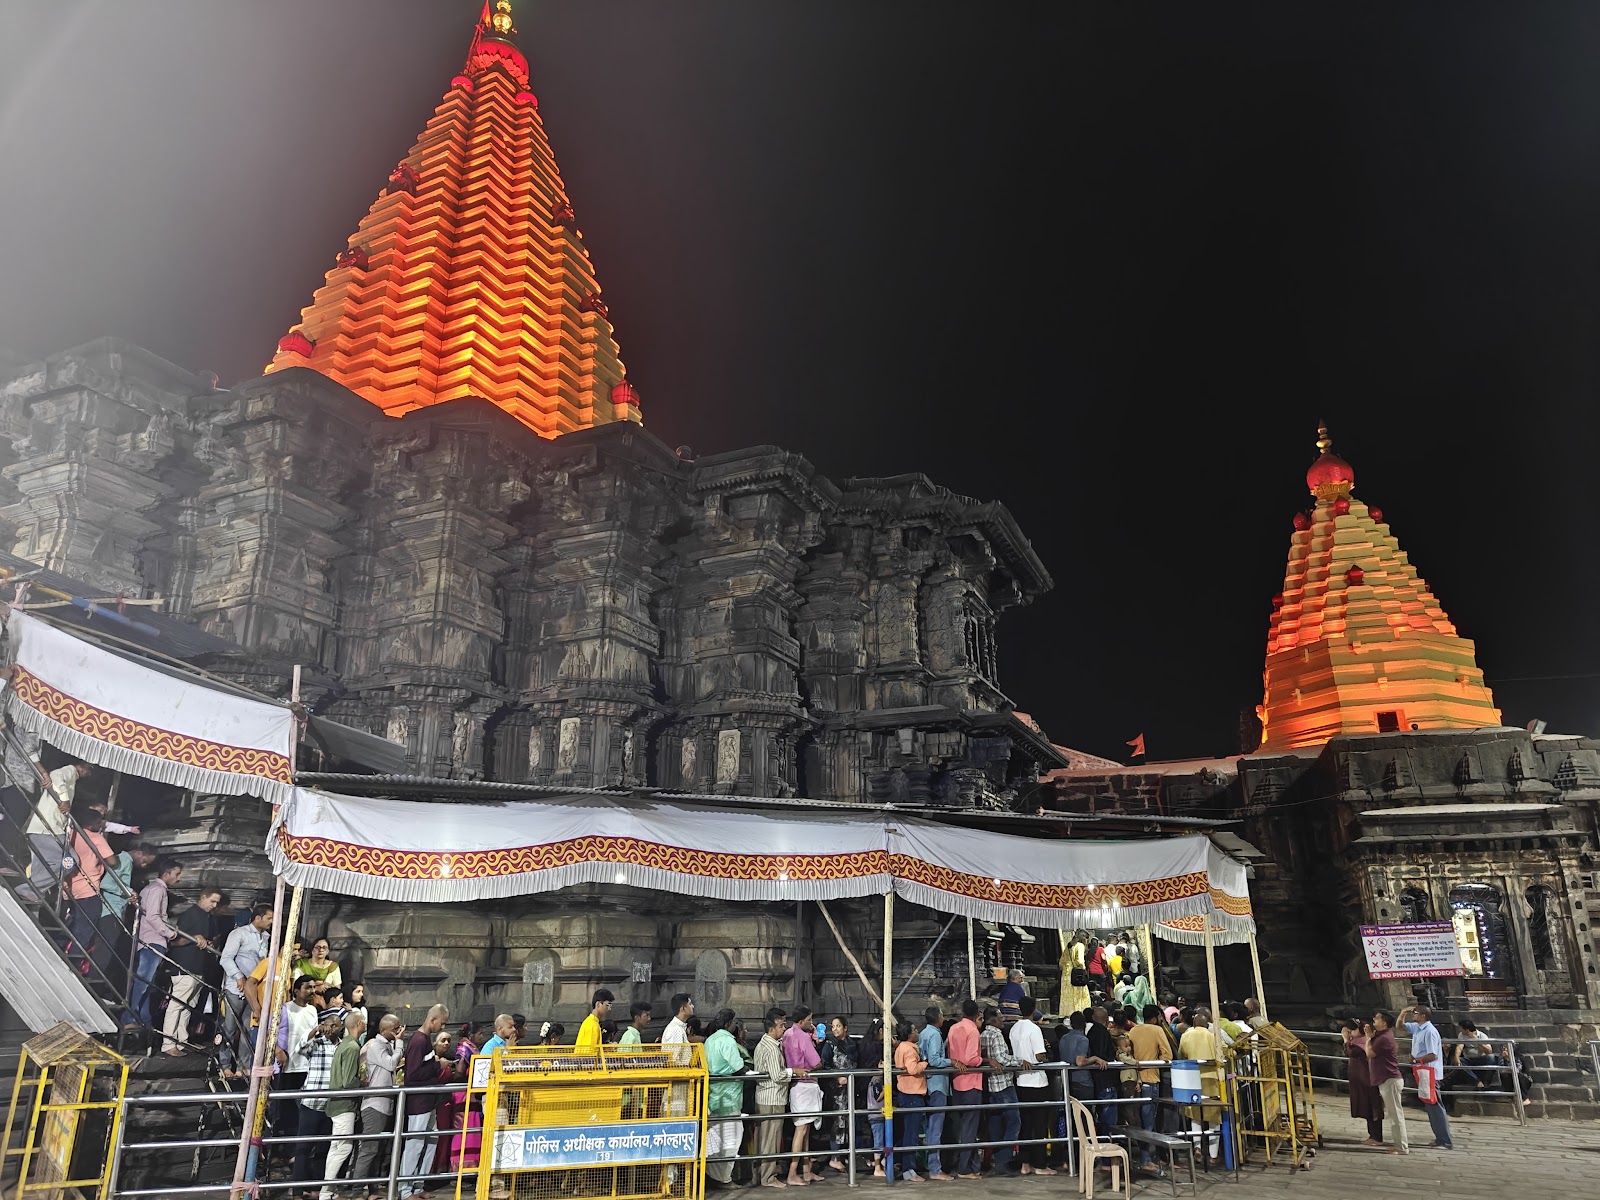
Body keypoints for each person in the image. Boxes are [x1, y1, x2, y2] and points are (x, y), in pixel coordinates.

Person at [127, 857, 205, 1029]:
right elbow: (154, 917)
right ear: (167, 873)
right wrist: (171, 934)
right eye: (177, 874)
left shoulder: (151, 889)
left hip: (150, 939)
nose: (178, 878)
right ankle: (129, 1017)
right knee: (143, 981)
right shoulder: (157, 889)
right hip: (153, 941)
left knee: (147, 983)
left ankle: (144, 1020)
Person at [350, 1014, 408, 1193]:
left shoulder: (386, 1045)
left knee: (380, 1148)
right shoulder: (375, 1046)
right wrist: (399, 1044)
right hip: (375, 1104)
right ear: (384, 1030)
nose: (399, 1032)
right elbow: (390, 1064)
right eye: (395, 1029)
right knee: (369, 1148)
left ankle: (373, 1188)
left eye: (399, 1028)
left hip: (386, 1103)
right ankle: (357, 1190)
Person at [399, 1003, 452, 1198]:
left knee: (430, 1141)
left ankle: (418, 1186)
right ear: (433, 1020)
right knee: (415, 1144)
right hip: (418, 1102)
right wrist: (438, 1066)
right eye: (442, 1023)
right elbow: (412, 1074)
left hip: (428, 1101)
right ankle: (405, 1190)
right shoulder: (419, 1040)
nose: (443, 1027)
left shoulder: (425, 1040)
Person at [163, 885, 222, 1054]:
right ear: (203, 897)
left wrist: (209, 942)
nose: (214, 906)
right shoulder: (190, 914)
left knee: (189, 1005)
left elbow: (210, 939)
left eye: (217, 903)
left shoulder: (208, 917)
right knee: (177, 1004)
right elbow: (174, 941)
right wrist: (194, 938)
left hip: (198, 967)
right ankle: (168, 1044)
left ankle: (181, 1041)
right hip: (184, 966)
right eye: (212, 901)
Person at [294, 1005, 348, 1188]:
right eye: (327, 1025)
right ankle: (298, 1191)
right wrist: (315, 1030)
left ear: (340, 1027)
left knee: (324, 1148)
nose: (330, 1029)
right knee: (303, 1147)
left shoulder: (343, 1046)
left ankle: (317, 1188)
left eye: (334, 1026)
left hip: (331, 1105)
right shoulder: (317, 1043)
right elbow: (299, 1048)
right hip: (311, 1102)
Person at [19, 762, 89, 903]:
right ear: (83, 766)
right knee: (70, 861)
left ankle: (32, 891)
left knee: (44, 864)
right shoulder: (70, 771)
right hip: (48, 828)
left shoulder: (72, 780)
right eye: (90, 770)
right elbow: (55, 775)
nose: (89, 775)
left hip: (41, 828)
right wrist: (65, 800)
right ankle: (28, 889)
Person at [320, 1009, 368, 1200]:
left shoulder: (346, 1045)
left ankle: (328, 1190)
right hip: (344, 1105)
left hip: (339, 1104)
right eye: (363, 1021)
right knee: (343, 1148)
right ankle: (326, 1191)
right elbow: (349, 1082)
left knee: (336, 1148)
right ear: (357, 1024)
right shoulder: (352, 1048)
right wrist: (363, 1082)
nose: (365, 1024)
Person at [219, 902, 273, 1070]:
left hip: (254, 990)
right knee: (228, 1028)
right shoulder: (238, 934)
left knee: (247, 1030)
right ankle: (224, 1066)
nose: (272, 921)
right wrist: (239, 976)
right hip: (236, 988)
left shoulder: (267, 937)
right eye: (269, 918)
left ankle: (244, 1066)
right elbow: (225, 958)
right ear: (258, 918)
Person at [64, 804, 113, 972]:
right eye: (99, 822)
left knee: (72, 924)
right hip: (88, 889)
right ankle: (73, 963)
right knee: (85, 928)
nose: (101, 825)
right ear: (92, 823)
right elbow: (113, 861)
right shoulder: (96, 838)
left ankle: (63, 951)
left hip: (69, 888)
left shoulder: (71, 835)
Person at [1009, 996, 1054, 1176]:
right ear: (1034, 1009)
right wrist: (1046, 1050)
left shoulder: (1013, 1029)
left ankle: (1025, 1163)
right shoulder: (1034, 1029)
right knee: (1040, 1125)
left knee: (1025, 1125)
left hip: (1020, 1080)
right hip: (1036, 1081)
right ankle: (1040, 1164)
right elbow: (1039, 1056)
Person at [1398, 1004, 1452, 1150]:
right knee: (1430, 1105)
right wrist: (1403, 1012)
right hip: (1422, 1071)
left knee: (1435, 1105)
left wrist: (1416, 1060)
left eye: (1415, 1013)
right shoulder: (1418, 1028)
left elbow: (1432, 1054)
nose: (1413, 1015)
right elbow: (1400, 1027)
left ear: (1423, 1016)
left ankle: (1444, 1140)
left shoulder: (1429, 1031)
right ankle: (1440, 1137)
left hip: (1430, 1071)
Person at [704, 1008, 746, 1189]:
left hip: (713, 1096)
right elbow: (737, 1067)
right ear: (730, 1024)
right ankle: (724, 1179)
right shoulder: (727, 1041)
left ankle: (712, 1175)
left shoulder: (710, 1040)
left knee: (715, 1136)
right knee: (732, 1138)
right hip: (728, 1097)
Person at [1129, 1004, 1173, 1172]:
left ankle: (1147, 1157)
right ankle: (1146, 1159)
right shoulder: (1157, 1030)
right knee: (1149, 1121)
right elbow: (1167, 1055)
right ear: (1155, 1018)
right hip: (1151, 1079)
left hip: (1136, 1080)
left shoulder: (1133, 1030)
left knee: (1139, 1121)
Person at [781, 1006, 822, 1186]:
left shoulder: (788, 1034)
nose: (811, 1023)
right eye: (809, 1020)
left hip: (796, 1085)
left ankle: (806, 1170)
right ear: (802, 1020)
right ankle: (792, 1172)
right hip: (805, 1085)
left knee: (805, 1130)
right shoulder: (802, 1037)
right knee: (802, 1130)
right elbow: (816, 1062)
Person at [1177, 1009, 1223, 1166]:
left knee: (1195, 1116)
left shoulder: (1186, 1036)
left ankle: (1197, 1149)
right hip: (1211, 1079)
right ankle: (1213, 1155)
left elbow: (1181, 1055)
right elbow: (1223, 1054)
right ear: (1207, 1024)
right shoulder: (1213, 1036)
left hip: (1192, 1080)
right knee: (1213, 1118)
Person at [979, 1004, 1021, 1173]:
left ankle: (998, 1158)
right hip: (1003, 1084)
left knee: (995, 1123)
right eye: (1000, 1016)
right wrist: (1020, 1061)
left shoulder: (982, 1035)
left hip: (991, 1085)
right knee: (1014, 1121)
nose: (1003, 1019)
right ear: (993, 1020)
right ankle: (1003, 1160)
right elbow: (1001, 1059)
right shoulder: (996, 1035)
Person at [945, 999, 984, 1178]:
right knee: (970, 1128)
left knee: (964, 1127)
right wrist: (983, 1060)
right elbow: (970, 1059)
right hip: (971, 1082)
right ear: (976, 1014)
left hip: (957, 1081)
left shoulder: (954, 1028)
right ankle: (964, 1168)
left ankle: (970, 1164)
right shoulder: (972, 1031)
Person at [753, 1009, 792, 1188]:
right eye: (781, 1025)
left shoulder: (763, 1043)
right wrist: (794, 1072)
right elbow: (778, 1075)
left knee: (762, 1138)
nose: (784, 1028)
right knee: (771, 1139)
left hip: (763, 1096)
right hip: (773, 1098)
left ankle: (761, 1173)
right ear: (771, 1029)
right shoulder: (771, 1048)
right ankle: (768, 1178)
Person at [916, 1007, 953, 1180]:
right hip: (937, 1084)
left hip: (928, 1083)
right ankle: (935, 1168)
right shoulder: (935, 1035)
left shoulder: (923, 1033)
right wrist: (952, 1061)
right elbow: (934, 1060)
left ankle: (932, 1165)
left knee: (931, 1128)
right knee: (935, 1129)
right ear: (938, 1018)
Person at [819, 1016, 857, 1172]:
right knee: (838, 1121)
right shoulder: (829, 1045)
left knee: (849, 1121)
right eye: (833, 1026)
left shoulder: (852, 1044)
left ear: (845, 1028)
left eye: (838, 1026)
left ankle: (846, 1153)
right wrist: (836, 1078)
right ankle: (835, 1156)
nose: (835, 1029)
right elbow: (824, 1065)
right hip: (836, 1089)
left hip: (850, 1087)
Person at [1366, 1010, 1407, 1154]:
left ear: (1383, 1023)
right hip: (1386, 1079)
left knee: (1396, 1114)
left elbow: (1370, 1053)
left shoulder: (1384, 1038)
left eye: (1377, 1018)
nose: (1374, 1020)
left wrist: (1367, 1039)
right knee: (1393, 1113)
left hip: (1390, 1079)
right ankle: (1399, 1145)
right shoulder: (1382, 1036)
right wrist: (1371, 1038)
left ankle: (1402, 1147)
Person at [891, 1020, 927, 1182]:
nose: (917, 1031)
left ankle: (897, 1160)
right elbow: (912, 1069)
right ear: (909, 1034)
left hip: (904, 1093)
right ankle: (909, 1169)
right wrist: (924, 1063)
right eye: (914, 1029)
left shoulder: (900, 1048)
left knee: (907, 1133)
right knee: (911, 1134)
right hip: (913, 1094)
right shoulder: (910, 1050)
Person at [1340, 1018, 1384, 1145]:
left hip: (1368, 1079)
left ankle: (1376, 1137)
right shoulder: (1357, 1041)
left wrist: (1346, 1040)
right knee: (1367, 1107)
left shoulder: (1363, 1043)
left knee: (1372, 1108)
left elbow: (1351, 1052)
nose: (1350, 1033)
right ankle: (1373, 1135)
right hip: (1361, 1079)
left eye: (1351, 1030)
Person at [1085, 1005, 1122, 1136]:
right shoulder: (1101, 1032)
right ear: (1106, 1020)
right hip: (1106, 1081)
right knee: (1109, 1120)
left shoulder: (1090, 1032)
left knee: (1103, 1116)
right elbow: (1102, 1054)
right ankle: (1108, 1149)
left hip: (1098, 1080)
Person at [295, 937, 342, 1006]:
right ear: (312, 949)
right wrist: (316, 988)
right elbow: (294, 986)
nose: (321, 950)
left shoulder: (333, 966)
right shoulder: (301, 964)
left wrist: (326, 988)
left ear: (328, 951)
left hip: (325, 1005)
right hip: (303, 1003)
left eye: (324, 947)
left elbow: (337, 990)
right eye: (318, 947)